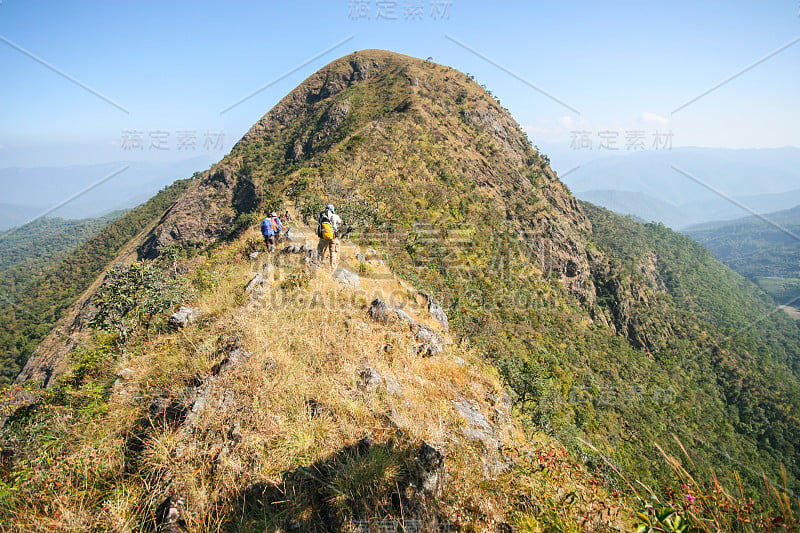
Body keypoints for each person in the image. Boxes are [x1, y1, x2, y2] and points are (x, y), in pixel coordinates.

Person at [317, 203, 342, 268]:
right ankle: (332, 268)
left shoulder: (321, 215)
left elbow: (318, 223)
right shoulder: (335, 216)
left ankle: (319, 265)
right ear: (332, 210)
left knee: (321, 251)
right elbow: (340, 221)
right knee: (333, 252)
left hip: (324, 236)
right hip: (333, 236)